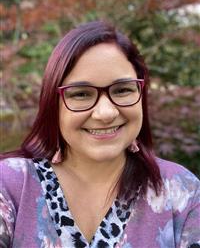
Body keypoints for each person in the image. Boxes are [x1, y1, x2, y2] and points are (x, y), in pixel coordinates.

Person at [0, 21, 199, 248]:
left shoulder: (181, 190)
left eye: (123, 90)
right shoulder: (10, 185)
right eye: (82, 94)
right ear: (53, 104)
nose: (105, 113)